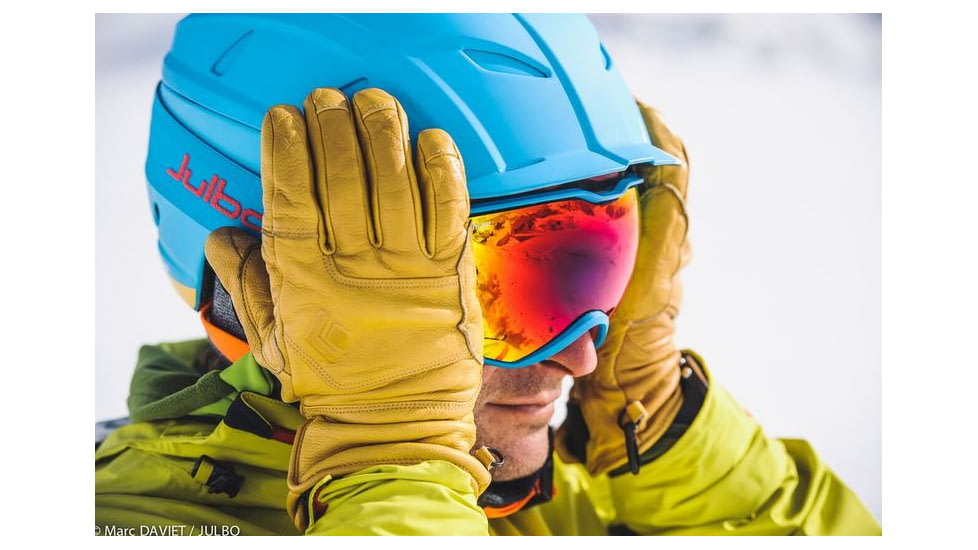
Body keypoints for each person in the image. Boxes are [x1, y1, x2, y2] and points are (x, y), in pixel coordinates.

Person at [95, 14, 881, 535]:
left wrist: (668, 433)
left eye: (590, 263)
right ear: (263, 282)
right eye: (481, 289)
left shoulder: (592, 492)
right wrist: (392, 455)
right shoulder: (123, 523)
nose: (583, 357)